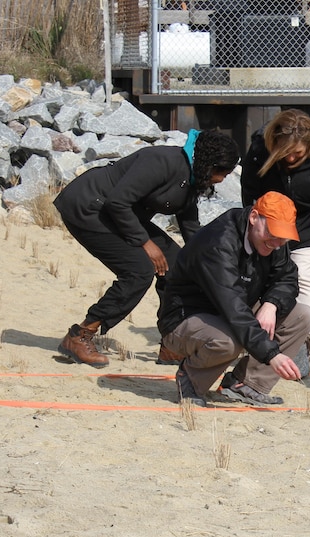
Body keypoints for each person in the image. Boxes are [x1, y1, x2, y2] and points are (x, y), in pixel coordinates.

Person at [53, 129, 240, 368]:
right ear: (207, 163)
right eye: (221, 172)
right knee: (139, 271)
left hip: (121, 215)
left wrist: (206, 258)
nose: (222, 178)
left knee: (177, 268)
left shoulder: (194, 175)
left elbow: (189, 223)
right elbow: (118, 202)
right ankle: (81, 335)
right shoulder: (162, 162)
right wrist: (146, 243)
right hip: (89, 207)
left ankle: (172, 344)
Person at [157, 192, 310, 407]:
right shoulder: (218, 243)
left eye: (283, 236)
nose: (278, 243)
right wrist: (272, 355)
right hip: (184, 318)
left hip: (231, 311)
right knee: (230, 340)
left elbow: (287, 278)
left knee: (302, 316)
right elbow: (234, 308)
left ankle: (247, 385)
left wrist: (271, 304)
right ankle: (190, 382)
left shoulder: (274, 241)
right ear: (253, 218)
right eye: (273, 233)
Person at [240, 108, 310, 378]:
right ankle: (256, 336)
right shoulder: (258, 148)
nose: (290, 158)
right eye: (284, 153)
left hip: (305, 226)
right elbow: (249, 190)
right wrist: (253, 228)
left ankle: (301, 342)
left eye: (297, 154)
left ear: (309, 146)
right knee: (261, 279)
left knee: (303, 281)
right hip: (267, 227)